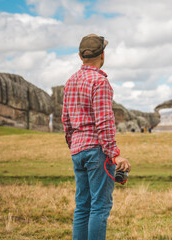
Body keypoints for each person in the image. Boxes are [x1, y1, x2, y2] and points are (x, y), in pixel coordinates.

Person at [62, 34, 131, 240]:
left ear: (80, 56)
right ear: (103, 54)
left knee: (82, 206)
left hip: (78, 150)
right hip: (97, 152)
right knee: (99, 207)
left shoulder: (70, 82)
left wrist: (74, 145)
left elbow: (66, 121)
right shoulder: (100, 82)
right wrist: (114, 154)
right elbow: (104, 122)